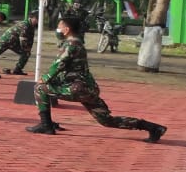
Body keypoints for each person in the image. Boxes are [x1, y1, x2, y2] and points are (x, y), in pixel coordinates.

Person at [27, 16, 166, 142]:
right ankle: (153, 128)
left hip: (77, 88)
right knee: (107, 121)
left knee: (39, 88)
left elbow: (58, 65)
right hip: (88, 88)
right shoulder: (77, 43)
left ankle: (46, 125)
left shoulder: (70, 45)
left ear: (67, 30)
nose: (57, 29)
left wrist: (45, 78)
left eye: (60, 26)